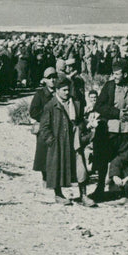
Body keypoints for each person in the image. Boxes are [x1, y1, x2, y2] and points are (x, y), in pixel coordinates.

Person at [91, 59, 128, 201]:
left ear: (126, 73)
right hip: (110, 131)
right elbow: (99, 106)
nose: (114, 76)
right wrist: (116, 113)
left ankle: (124, 192)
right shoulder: (109, 86)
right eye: (113, 74)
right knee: (104, 160)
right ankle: (99, 189)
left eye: (117, 74)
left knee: (125, 161)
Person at [38, 76, 94, 205]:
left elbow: (80, 121)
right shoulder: (51, 106)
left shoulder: (75, 104)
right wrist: (52, 141)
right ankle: (58, 195)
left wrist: (82, 129)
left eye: (68, 90)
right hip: (58, 143)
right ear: (57, 90)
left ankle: (84, 195)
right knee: (57, 168)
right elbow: (44, 127)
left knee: (81, 168)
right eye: (64, 90)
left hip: (75, 141)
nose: (67, 93)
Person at [30, 66, 57, 182]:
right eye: (49, 78)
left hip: (57, 127)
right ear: (44, 80)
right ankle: (45, 176)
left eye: (54, 77)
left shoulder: (60, 92)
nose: (52, 80)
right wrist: (46, 117)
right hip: (45, 127)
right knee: (43, 153)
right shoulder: (40, 94)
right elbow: (33, 111)